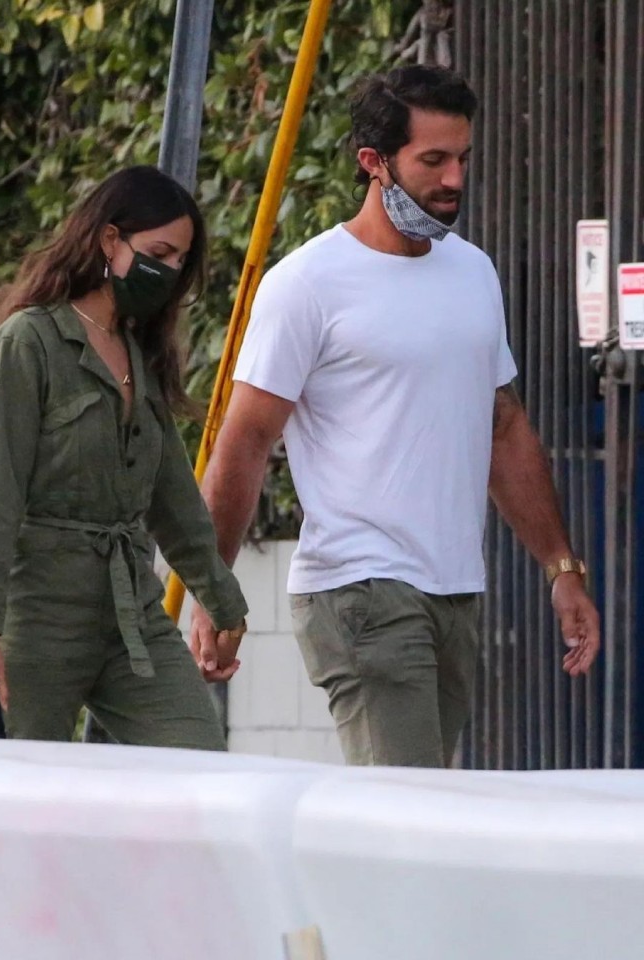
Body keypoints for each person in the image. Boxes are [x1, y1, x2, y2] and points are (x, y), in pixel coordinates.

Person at [189, 65, 600, 767]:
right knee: (405, 803)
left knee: (417, 805)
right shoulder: (307, 283)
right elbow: (247, 440)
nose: (454, 179)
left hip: (455, 588)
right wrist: (214, 588)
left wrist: (561, 567)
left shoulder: (473, 272)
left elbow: (502, 426)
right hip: (359, 587)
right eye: (433, 160)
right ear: (374, 162)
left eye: (462, 158)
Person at [0, 165, 248, 748]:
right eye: (158, 253)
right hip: (37, 615)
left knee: (201, 765)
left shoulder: (140, 351)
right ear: (109, 240)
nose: (168, 272)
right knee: (26, 787)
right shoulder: (27, 343)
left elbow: (174, 501)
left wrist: (225, 607)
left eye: (179, 260)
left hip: (129, 612)